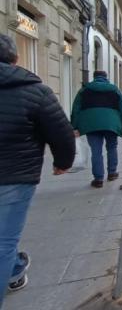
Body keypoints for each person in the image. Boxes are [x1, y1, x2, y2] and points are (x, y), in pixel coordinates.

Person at [0, 34, 75, 305]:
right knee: (4, 241)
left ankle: (15, 269)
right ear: (15, 57)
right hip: (15, 175)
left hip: (15, 174)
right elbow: (61, 131)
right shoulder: (34, 89)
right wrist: (63, 162)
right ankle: (14, 269)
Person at [71, 71, 122, 188]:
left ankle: (98, 179)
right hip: (111, 124)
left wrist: (74, 126)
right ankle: (112, 173)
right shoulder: (114, 90)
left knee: (96, 151)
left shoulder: (84, 90)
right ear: (105, 77)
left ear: (94, 77)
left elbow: (76, 109)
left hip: (91, 124)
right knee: (112, 147)